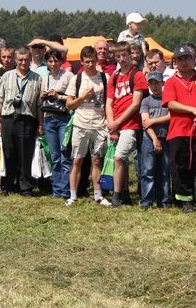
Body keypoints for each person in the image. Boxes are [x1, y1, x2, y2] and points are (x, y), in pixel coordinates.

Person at [163, 45, 196, 212]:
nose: (183, 62)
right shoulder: (170, 82)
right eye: (179, 59)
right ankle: (184, 201)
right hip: (179, 130)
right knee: (180, 167)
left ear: (192, 59)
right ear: (175, 62)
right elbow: (170, 103)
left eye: (186, 58)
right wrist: (192, 110)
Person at [0, 47, 43, 197]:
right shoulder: (7, 76)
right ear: (16, 60)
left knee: (25, 154)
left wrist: (40, 124)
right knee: (8, 153)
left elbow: (39, 105)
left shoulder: (37, 78)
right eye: (20, 60)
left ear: (30, 60)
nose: (23, 63)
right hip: (8, 119)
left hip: (27, 120)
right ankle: (7, 185)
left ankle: (25, 187)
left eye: (26, 60)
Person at [65, 46, 109, 206]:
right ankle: (73, 195)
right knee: (77, 161)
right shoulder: (76, 79)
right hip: (80, 125)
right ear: (82, 62)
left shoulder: (105, 78)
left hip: (99, 125)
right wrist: (82, 97)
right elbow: (69, 105)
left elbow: (109, 102)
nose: (90, 65)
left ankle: (98, 194)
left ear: (97, 61)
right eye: (87, 62)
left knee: (97, 161)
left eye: (92, 61)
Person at [106, 41, 148, 207]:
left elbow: (135, 104)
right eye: (118, 56)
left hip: (131, 125)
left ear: (132, 55)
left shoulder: (137, 75)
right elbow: (109, 102)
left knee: (118, 158)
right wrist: (111, 124)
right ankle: (124, 194)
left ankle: (116, 197)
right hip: (115, 124)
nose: (122, 59)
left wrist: (116, 123)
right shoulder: (114, 77)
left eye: (124, 55)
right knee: (120, 161)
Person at [40, 50, 72, 199]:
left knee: (65, 155)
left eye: (56, 61)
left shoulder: (67, 75)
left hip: (63, 117)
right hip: (48, 118)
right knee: (54, 156)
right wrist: (43, 95)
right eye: (50, 61)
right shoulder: (44, 77)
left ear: (61, 61)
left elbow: (73, 97)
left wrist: (58, 95)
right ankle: (57, 189)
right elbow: (40, 101)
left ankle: (65, 190)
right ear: (46, 62)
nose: (53, 64)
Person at [139, 71, 171, 209]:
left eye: (156, 83)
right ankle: (147, 201)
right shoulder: (146, 101)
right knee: (148, 171)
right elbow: (145, 123)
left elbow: (171, 116)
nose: (154, 86)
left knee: (164, 172)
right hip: (149, 139)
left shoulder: (168, 99)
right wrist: (155, 140)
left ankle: (163, 201)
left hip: (166, 138)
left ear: (162, 83)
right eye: (151, 83)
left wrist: (154, 120)